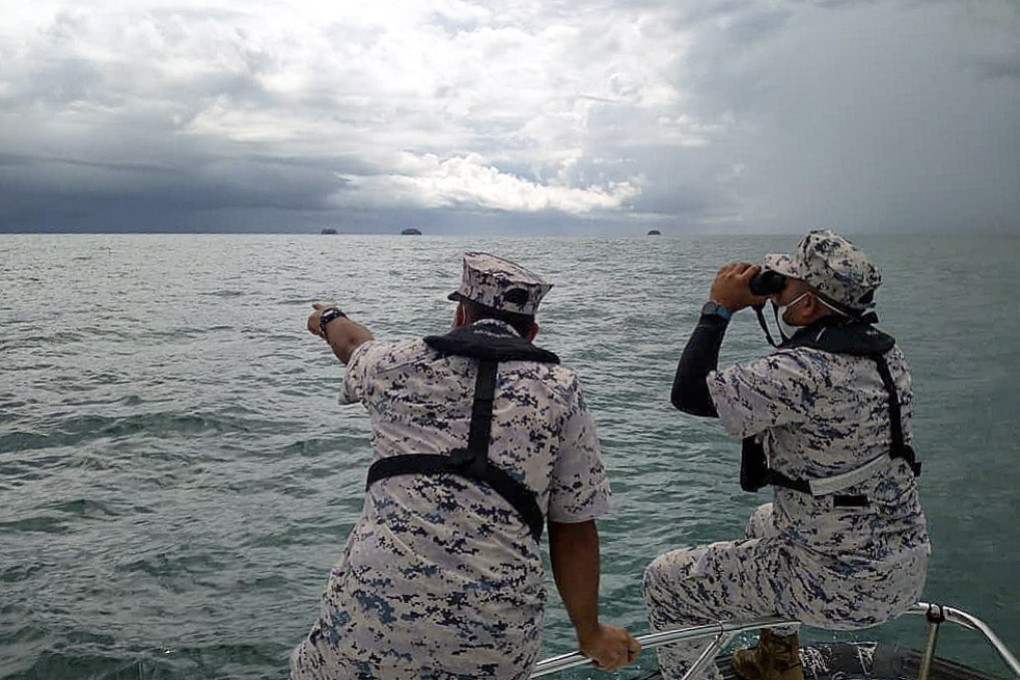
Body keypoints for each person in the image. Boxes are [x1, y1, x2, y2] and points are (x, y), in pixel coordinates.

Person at [291, 252, 640, 680]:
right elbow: (574, 527)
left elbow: (351, 345)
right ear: (532, 331)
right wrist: (589, 633)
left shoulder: (395, 364)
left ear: (460, 313)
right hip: (495, 641)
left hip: (366, 624)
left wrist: (327, 316)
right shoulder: (560, 390)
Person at [643, 229, 930, 680]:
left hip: (840, 586)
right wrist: (779, 298)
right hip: (903, 566)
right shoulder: (887, 356)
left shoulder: (801, 371)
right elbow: (800, 383)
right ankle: (777, 661)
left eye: (788, 285)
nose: (779, 292)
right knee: (763, 520)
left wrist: (719, 308)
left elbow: (688, 393)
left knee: (666, 580)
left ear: (810, 305)